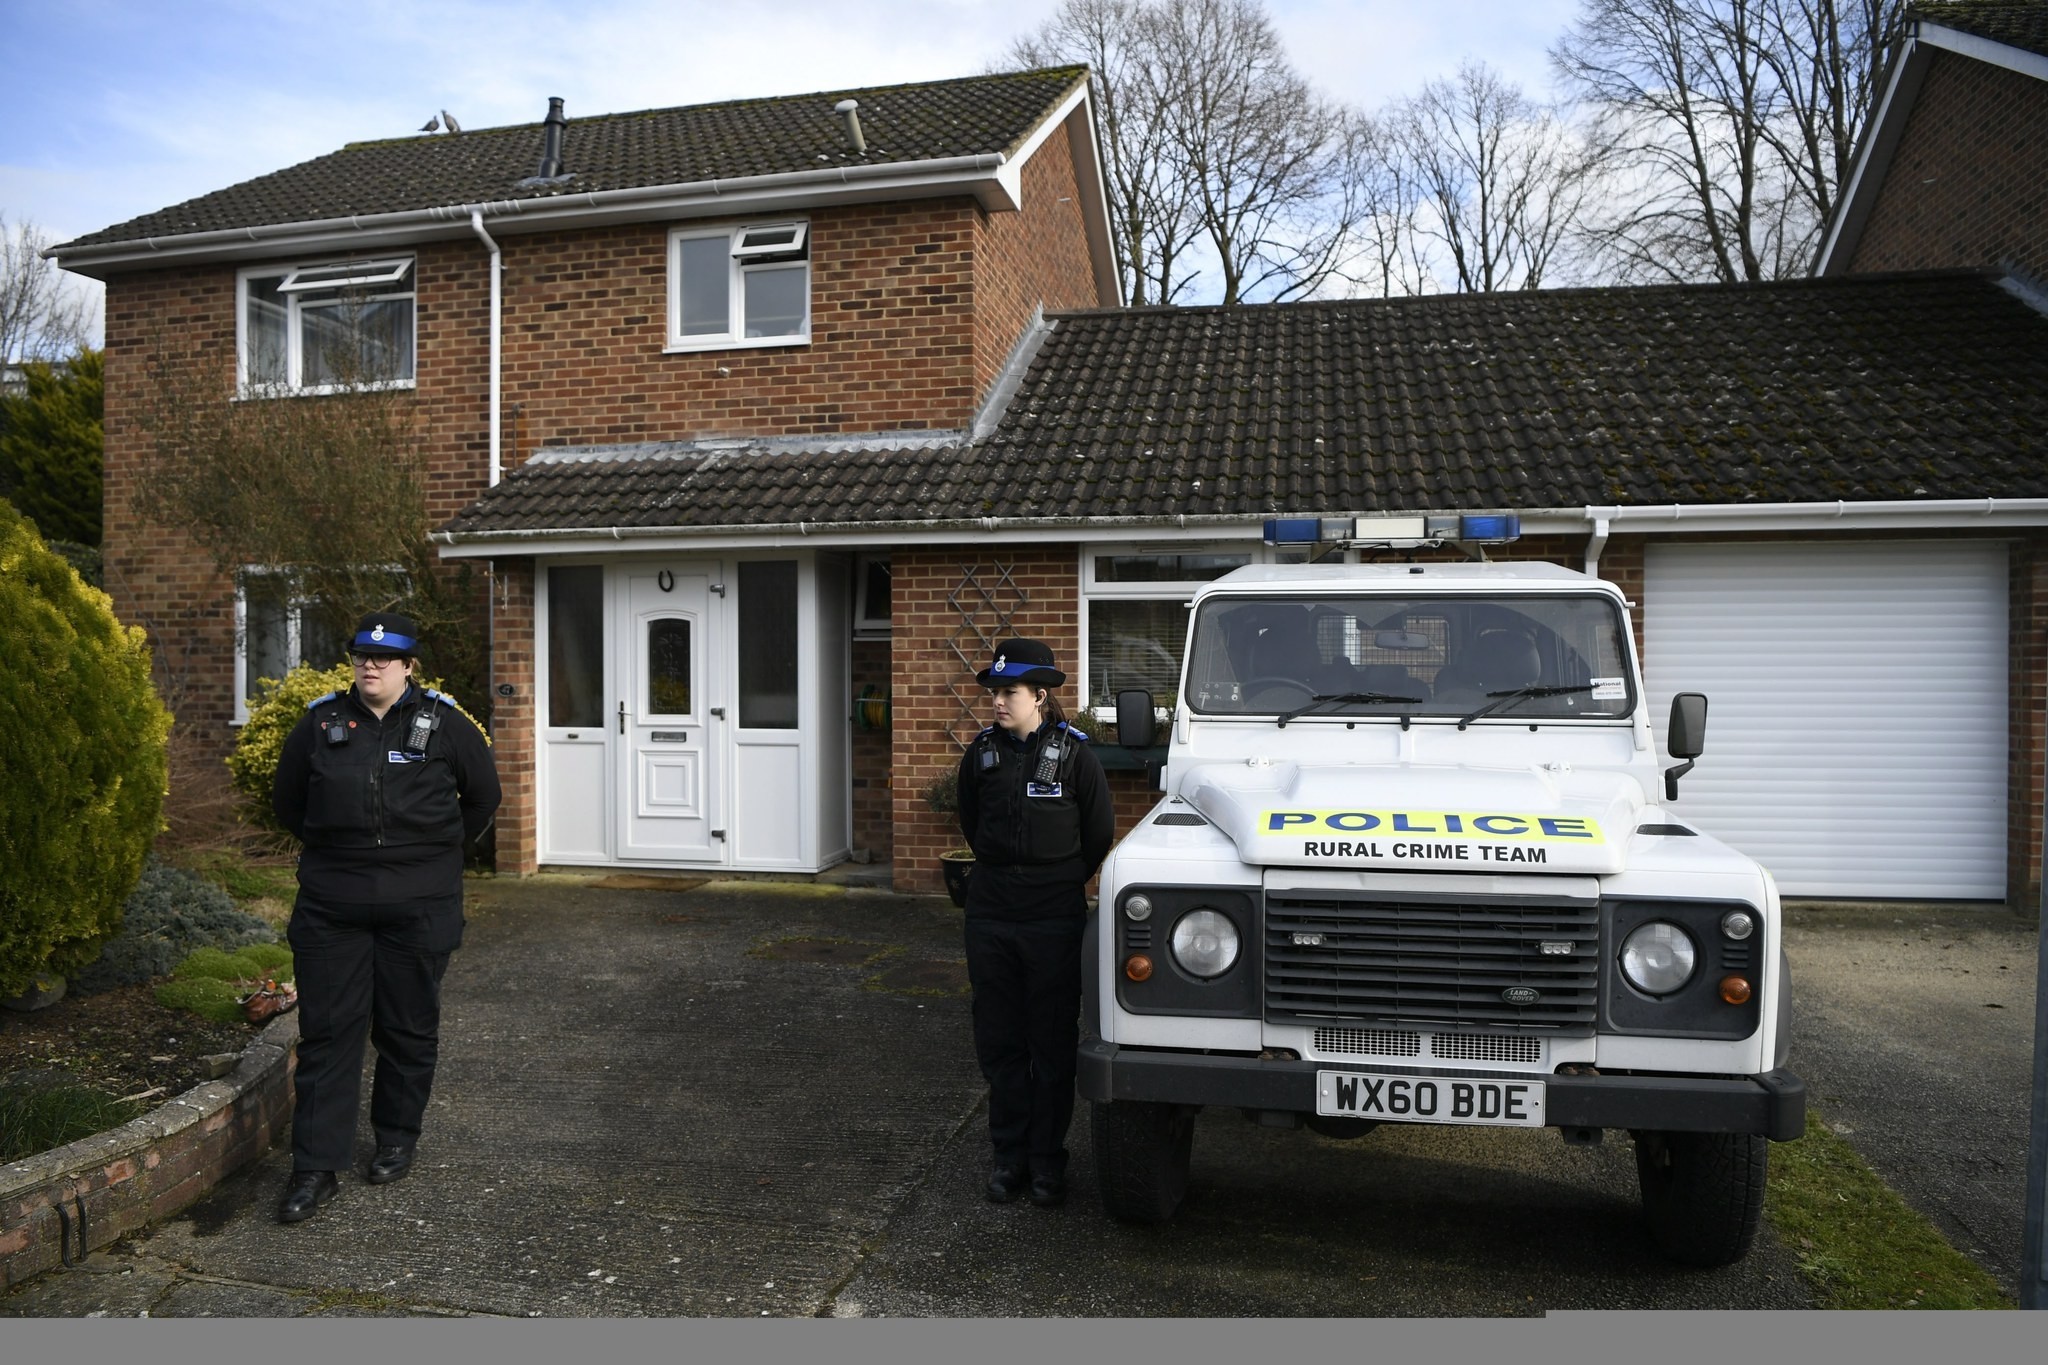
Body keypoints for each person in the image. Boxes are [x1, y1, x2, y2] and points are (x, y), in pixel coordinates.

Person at [270, 611, 500, 1223]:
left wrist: (432, 858)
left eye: (385, 658)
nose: (371, 665)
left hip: (418, 908)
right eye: (361, 656)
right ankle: (315, 1169)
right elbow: (289, 802)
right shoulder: (320, 723)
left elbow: (483, 799)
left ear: (408, 666)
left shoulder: (446, 725)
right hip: (332, 907)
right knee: (328, 1035)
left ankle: (397, 1139)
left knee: (406, 1029)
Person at [954, 638, 1114, 1208]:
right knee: (1000, 1040)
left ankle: (1048, 1162)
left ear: (1040, 695)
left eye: (1009, 692)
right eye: (995, 692)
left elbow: (1098, 836)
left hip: (1052, 916)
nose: (997, 702)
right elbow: (972, 824)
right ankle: (1009, 1157)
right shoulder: (981, 755)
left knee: (1049, 1043)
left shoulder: (1075, 756)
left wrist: (1053, 883)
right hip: (992, 912)